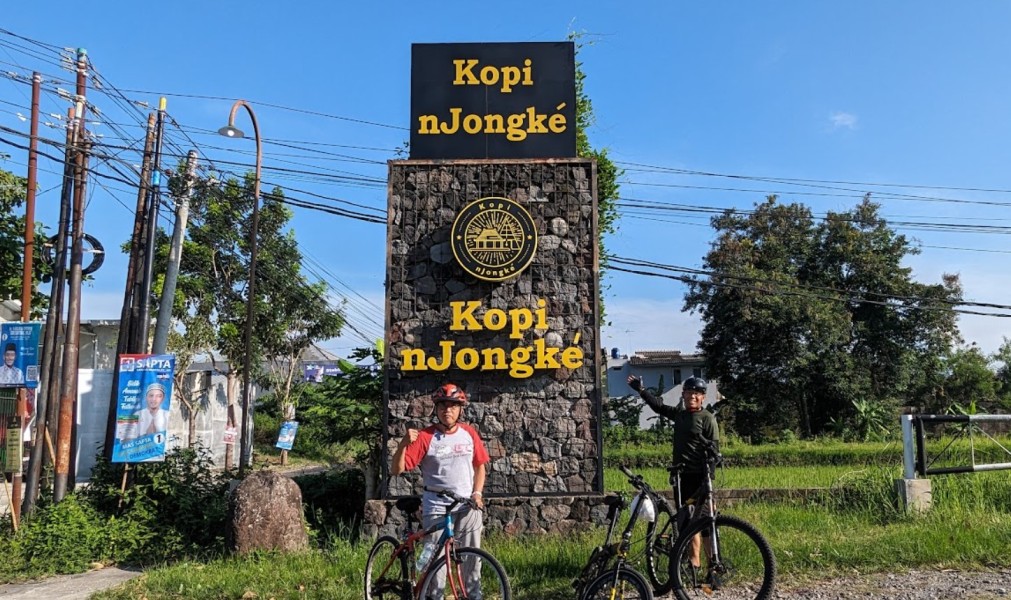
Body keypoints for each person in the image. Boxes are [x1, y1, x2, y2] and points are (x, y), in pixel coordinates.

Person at [391, 383, 489, 598]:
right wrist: (403, 444)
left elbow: (479, 465)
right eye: (443, 406)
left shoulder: (469, 433)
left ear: (460, 409)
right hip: (436, 505)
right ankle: (434, 596)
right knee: (436, 561)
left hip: (467, 504)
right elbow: (396, 469)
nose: (448, 410)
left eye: (453, 406)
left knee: (472, 557)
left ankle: (473, 595)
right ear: (436, 409)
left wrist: (477, 493)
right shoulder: (426, 437)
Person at [628, 374, 720, 570]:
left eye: (697, 394)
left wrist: (708, 478)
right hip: (681, 477)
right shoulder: (680, 415)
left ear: (703, 397)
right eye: (689, 393)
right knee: (687, 521)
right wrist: (642, 391)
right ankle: (693, 564)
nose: (692, 397)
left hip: (700, 477)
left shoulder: (707, 419)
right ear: (683, 394)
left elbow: (714, 450)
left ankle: (713, 565)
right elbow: (659, 407)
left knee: (706, 522)